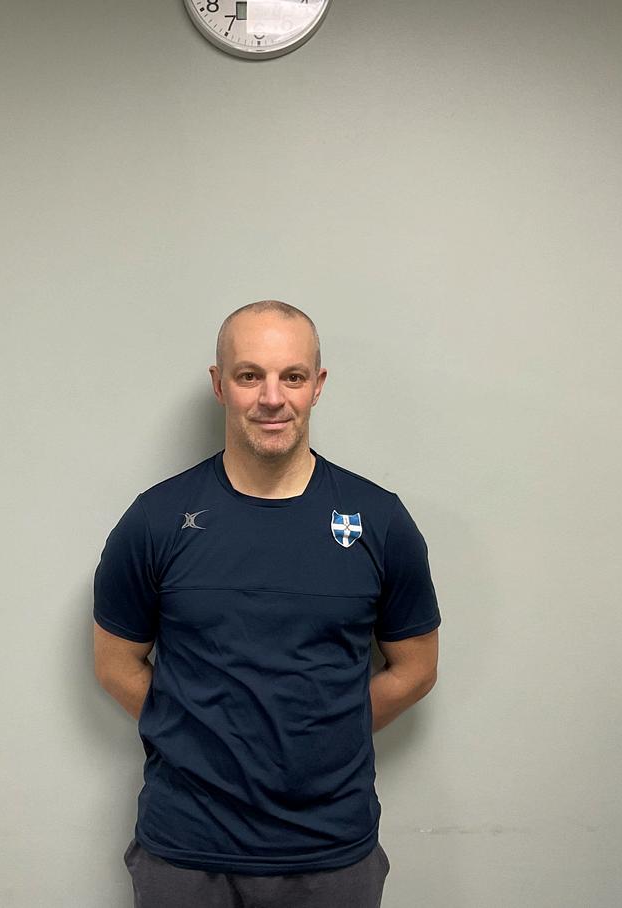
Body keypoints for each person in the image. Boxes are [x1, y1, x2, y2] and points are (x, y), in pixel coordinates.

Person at [93, 300, 441, 908]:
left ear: (318, 385)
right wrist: (199, 735)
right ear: (219, 384)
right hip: (186, 851)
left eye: (293, 376)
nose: (272, 398)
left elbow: (416, 669)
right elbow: (115, 664)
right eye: (249, 375)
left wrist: (325, 734)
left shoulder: (380, 521)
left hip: (330, 852)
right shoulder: (156, 520)